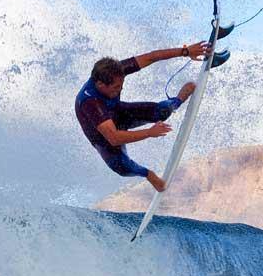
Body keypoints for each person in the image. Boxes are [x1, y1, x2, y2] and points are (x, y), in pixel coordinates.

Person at [76, 42, 211, 192]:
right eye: (116, 87)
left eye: (121, 85)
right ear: (100, 85)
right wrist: (149, 132)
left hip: (118, 114)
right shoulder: (90, 102)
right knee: (122, 168)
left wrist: (185, 51)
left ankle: (177, 100)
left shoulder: (114, 71)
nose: (121, 89)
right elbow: (113, 138)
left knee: (162, 111)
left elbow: (151, 57)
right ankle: (148, 174)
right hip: (103, 138)